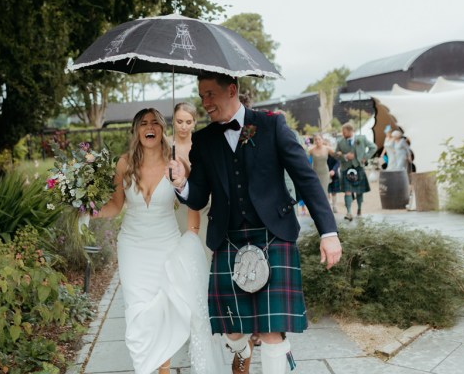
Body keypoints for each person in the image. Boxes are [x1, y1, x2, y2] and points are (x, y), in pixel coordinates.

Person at [167, 72, 342, 374]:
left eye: (210, 94)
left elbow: (306, 179)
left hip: (273, 234)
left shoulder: (272, 125)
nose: (205, 102)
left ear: (232, 90)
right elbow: (197, 198)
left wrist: (328, 232)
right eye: (201, 95)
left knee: (273, 330)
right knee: (231, 328)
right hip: (229, 238)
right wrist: (182, 183)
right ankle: (241, 348)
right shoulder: (205, 141)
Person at [94, 108, 223, 374]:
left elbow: (193, 203)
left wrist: (191, 237)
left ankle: (163, 370)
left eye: (155, 122)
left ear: (163, 129)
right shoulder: (124, 163)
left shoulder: (176, 163)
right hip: (133, 248)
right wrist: (88, 209)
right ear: (136, 130)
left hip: (167, 245)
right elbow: (115, 206)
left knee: (164, 310)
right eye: (144, 123)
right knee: (138, 311)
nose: (149, 127)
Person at [172, 102, 212, 263]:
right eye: (179, 121)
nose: (183, 126)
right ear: (173, 120)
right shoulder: (165, 145)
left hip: (203, 205)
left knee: (204, 251)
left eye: (188, 122)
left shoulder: (202, 145)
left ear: (195, 122)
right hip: (175, 206)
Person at [335, 123, 378, 221]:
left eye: (344, 132)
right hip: (346, 169)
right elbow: (335, 155)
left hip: (358, 167)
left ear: (350, 131)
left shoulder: (361, 138)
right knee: (347, 191)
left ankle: (359, 209)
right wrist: (345, 156)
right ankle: (349, 212)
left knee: (359, 191)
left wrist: (365, 158)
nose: (342, 134)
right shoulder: (340, 141)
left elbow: (373, 147)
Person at [308, 133, 334, 199]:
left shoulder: (327, 148)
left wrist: (334, 169)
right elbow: (304, 159)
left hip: (324, 173)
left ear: (322, 140)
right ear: (314, 141)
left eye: (319, 139)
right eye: (316, 139)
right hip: (315, 173)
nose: (317, 141)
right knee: (316, 192)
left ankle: (325, 208)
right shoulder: (311, 150)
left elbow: (336, 156)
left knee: (324, 192)